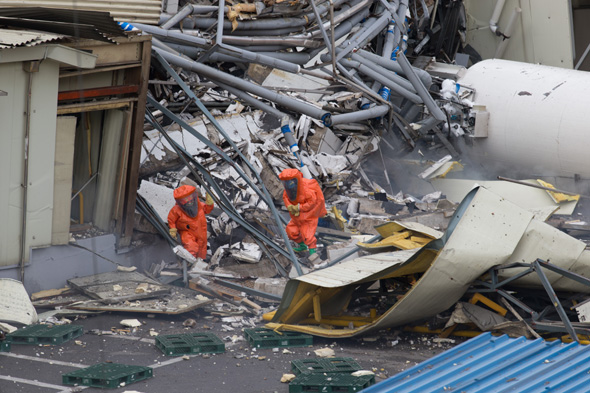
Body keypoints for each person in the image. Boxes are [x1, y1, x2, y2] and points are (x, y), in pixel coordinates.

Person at [279, 168, 327, 255]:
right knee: (291, 232)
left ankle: (313, 255)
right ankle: (303, 247)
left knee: (308, 237)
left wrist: (299, 207)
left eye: (290, 181)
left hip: (308, 217)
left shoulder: (306, 190)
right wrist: (289, 206)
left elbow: (312, 202)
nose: (289, 184)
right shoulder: (289, 190)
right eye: (286, 182)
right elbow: (285, 197)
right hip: (296, 217)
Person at [168, 185, 214, 260]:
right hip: (187, 232)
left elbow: (207, 210)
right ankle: (190, 262)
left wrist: (209, 203)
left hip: (201, 231)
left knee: (202, 248)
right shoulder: (177, 210)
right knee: (190, 246)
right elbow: (171, 219)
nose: (189, 201)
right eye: (185, 200)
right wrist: (172, 229)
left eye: (190, 198)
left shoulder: (200, 207)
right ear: (180, 202)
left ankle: (200, 263)